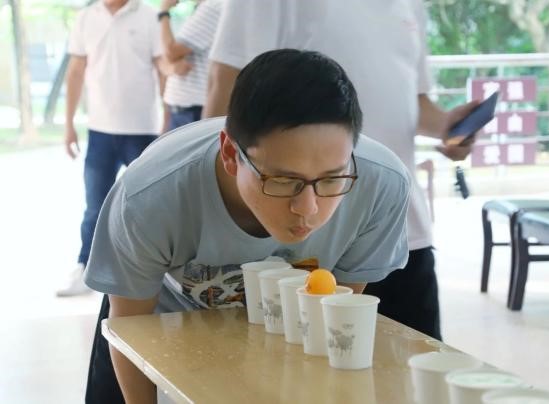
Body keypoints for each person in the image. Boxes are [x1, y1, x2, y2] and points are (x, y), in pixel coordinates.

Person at [84, 49, 411, 403]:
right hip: (160, 317)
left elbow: (330, 317)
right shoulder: (148, 196)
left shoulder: (381, 186)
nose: (308, 209)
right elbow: (130, 327)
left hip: (285, 329)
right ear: (230, 154)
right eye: (283, 181)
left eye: (331, 179)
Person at [204, 0, 478, 340]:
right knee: (299, 359)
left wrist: (449, 127)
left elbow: (414, 102)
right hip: (310, 234)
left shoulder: (411, 5)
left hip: (403, 227)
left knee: (414, 363)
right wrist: (215, 204)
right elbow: (225, 82)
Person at [57, 0, 166, 297]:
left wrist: (167, 119)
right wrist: (69, 124)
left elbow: (162, 71)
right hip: (100, 131)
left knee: (152, 206)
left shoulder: (149, 16)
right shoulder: (85, 18)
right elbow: (75, 71)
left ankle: (159, 274)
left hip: (142, 130)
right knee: (95, 206)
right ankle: (85, 269)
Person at [159, 0, 223, 131]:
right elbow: (165, 60)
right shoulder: (201, 9)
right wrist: (172, 66)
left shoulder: (212, 7)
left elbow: (171, 51)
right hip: (185, 109)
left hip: (192, 111)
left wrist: (163, 12)